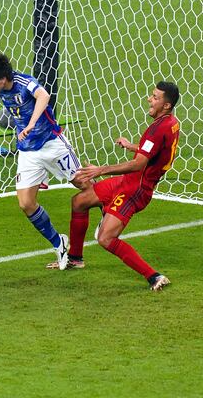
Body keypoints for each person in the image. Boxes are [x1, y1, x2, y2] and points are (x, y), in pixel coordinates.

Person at [0, 53, 86, 270]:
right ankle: (59, 242)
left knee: (85, 186)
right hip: (28, 151)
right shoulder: (1, 88)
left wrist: (31, 124)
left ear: (1, 79)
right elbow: (0, 95)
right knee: (26, 204)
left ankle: (110, 217)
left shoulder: (25, 82)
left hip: (52, 144)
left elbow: (43, 97)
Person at [70, 82, 180, 291]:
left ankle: (154, 276)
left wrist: (101, 170)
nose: (149, 99)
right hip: (128, 181)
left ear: (166, 105)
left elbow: (139, 163)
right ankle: (75, 258)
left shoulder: (157, 129)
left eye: (155, 97)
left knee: (105, 238)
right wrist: (133, 146)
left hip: (135, 190)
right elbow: (156, 150)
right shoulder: (171, 123)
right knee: (79, 201)